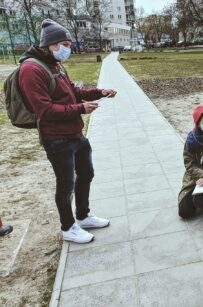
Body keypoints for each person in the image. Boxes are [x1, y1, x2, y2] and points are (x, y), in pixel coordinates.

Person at [18, 19, 117, 243]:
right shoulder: (31, 69)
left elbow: (73, 91)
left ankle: (82, 216)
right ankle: (68, 227)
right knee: (65, 185)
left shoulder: (55, 64)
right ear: (51, 44)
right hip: (56, 139)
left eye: (70, 44)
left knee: (87, 174)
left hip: (75, 133)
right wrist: (80, 108)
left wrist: (99, 92)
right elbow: (44, 110)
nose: (68, 49)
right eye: (65, 44)